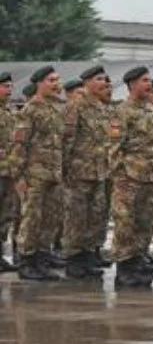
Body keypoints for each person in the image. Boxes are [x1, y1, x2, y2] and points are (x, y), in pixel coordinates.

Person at [10, 66, 65, 280]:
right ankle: (26, 261)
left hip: (53, 173)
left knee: (49, 220)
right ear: (40, 84)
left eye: (58, 80)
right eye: (52, 80)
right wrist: (18, 176)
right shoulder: (30, 110)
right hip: (34, 175)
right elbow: (19, 145)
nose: (57, 84)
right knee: (31, 219)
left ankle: (41, 260)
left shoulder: (56, 109)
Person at [109, 66, 153, 287]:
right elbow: (113, 147)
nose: (149, 84)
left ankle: (138, 258)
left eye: (150, 81)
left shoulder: (152, 111)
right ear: (132, 84)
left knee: (145, 221)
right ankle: (124, 266)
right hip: (128, 177)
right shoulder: (122, 111)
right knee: (125, 222)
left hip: (149, 176)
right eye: (144, 81)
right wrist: (120, 175)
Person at [61, 65, 113, 279]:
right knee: (76, 217)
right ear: (88, 83)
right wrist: (65, 170)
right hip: (79, 172)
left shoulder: (101, 108)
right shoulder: (76, 107)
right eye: (99, 79)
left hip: (98, 171)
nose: (104, 83)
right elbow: (67, 140)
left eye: (104, 79)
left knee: (96, 215)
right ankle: (74, 258)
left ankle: (88, 254)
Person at [0, 71, 16, 273]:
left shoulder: (10, 113)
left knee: (5, 215)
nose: (9, 90)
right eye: (5, 86)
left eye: (11, 86)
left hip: (8, 170)